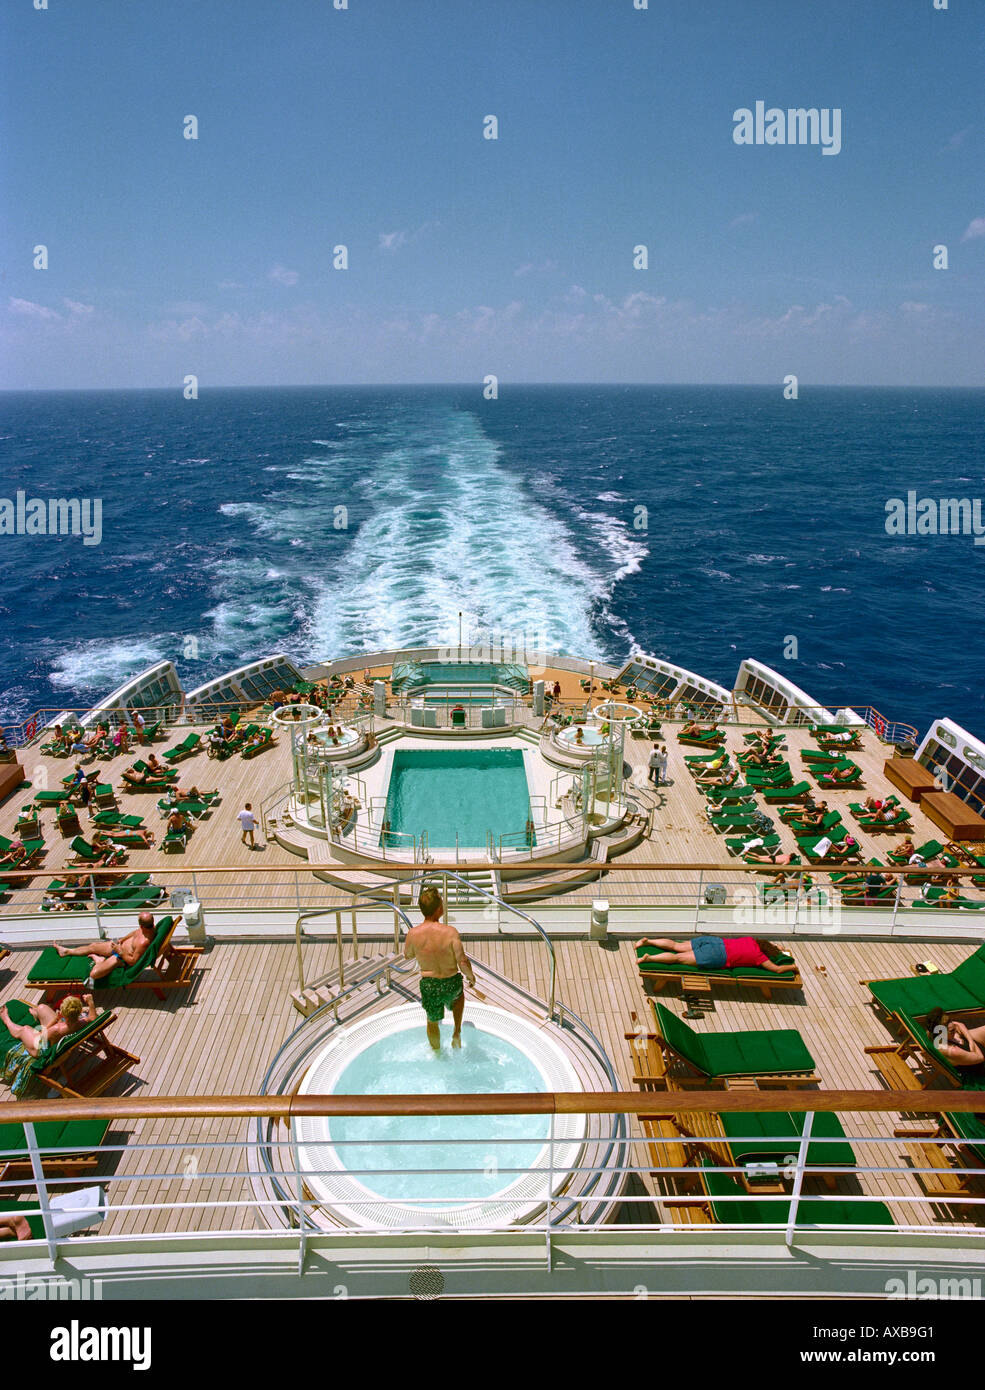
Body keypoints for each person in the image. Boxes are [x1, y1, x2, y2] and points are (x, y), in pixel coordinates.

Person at [404, 884, 476, 1049]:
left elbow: (407, 954)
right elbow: (462, 961)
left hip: (430, 985)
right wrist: (471, 977)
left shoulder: (413, 934)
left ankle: (437, 1053)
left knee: (432, 1021)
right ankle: (457, 1032)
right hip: (451, 982)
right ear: (438, 909)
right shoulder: (450, 932)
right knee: (458, 998)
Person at [0, 993, 96, 1097]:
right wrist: (90, 1002)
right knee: (42, 1007)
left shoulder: (58, 1029)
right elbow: (93, 1017)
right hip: (56, 1037)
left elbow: (41, 1034)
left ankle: (6, 1020)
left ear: (64, 1013)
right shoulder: (81, 1022)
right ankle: (37, 1013)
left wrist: (55, 1020)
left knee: (25, 1029)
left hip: (40, 1049)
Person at [51, 913, 159, 987]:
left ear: (142, 925)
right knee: (93, 946)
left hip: (120, 958)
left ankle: (100, 961)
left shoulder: (143, 942)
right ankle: (67, 951)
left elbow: (133, 962)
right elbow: (135, 933)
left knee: (94, 974)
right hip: (119, 948)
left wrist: (119, 951)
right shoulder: (148, 927)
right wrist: (122, 940)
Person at [635, 936, 798, 974]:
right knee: (678, 959)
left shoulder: (750, 940)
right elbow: (776, 969)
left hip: (715, 941)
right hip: (718, 955)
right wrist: (793, 967)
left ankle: (648, 941)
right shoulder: (759, 957)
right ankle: (649, 958)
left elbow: (771, 945)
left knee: (677, 946)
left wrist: (776, 946)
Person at [925, 1010, 985, 1078]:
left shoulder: (935, 1033)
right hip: (977, 1070)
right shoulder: (952, 1051)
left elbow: (958, 1024)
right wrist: (973, 1043)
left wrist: (970, 1041)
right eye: (952, 1031)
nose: (952, 1025)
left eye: (950, 1021)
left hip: (972, 1051)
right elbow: (980, 1057)